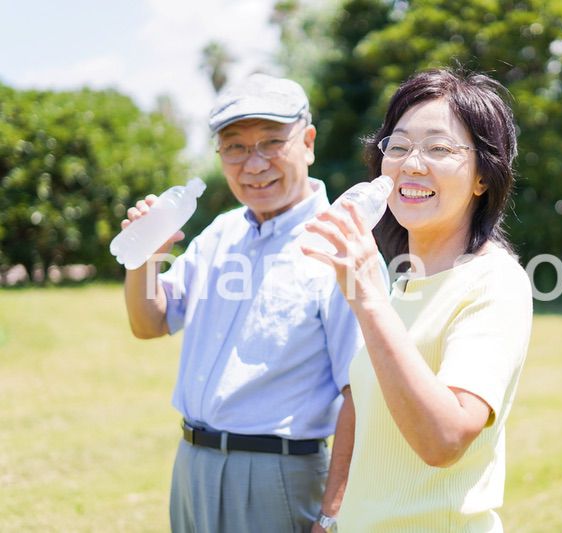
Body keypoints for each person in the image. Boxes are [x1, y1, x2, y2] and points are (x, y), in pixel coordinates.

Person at [120, 73, 358, 533]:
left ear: (307, 142)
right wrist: (143, 261)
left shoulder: (342, 245)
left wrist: (334, 513)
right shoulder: (220, 234)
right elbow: (149, 323)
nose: (254, 164)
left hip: (279, 477)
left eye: (272, 142)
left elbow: (361, 394)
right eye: (235, 147)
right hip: (192, 465)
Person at [301, 68, 533, 531]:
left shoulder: (494, 282)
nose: (411, 164)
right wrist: (332, 519)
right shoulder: (402, 282)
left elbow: (445, 438)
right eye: (399, 145)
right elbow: (369, 419)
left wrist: (368, 299)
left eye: (439, 148)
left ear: (483, 177)